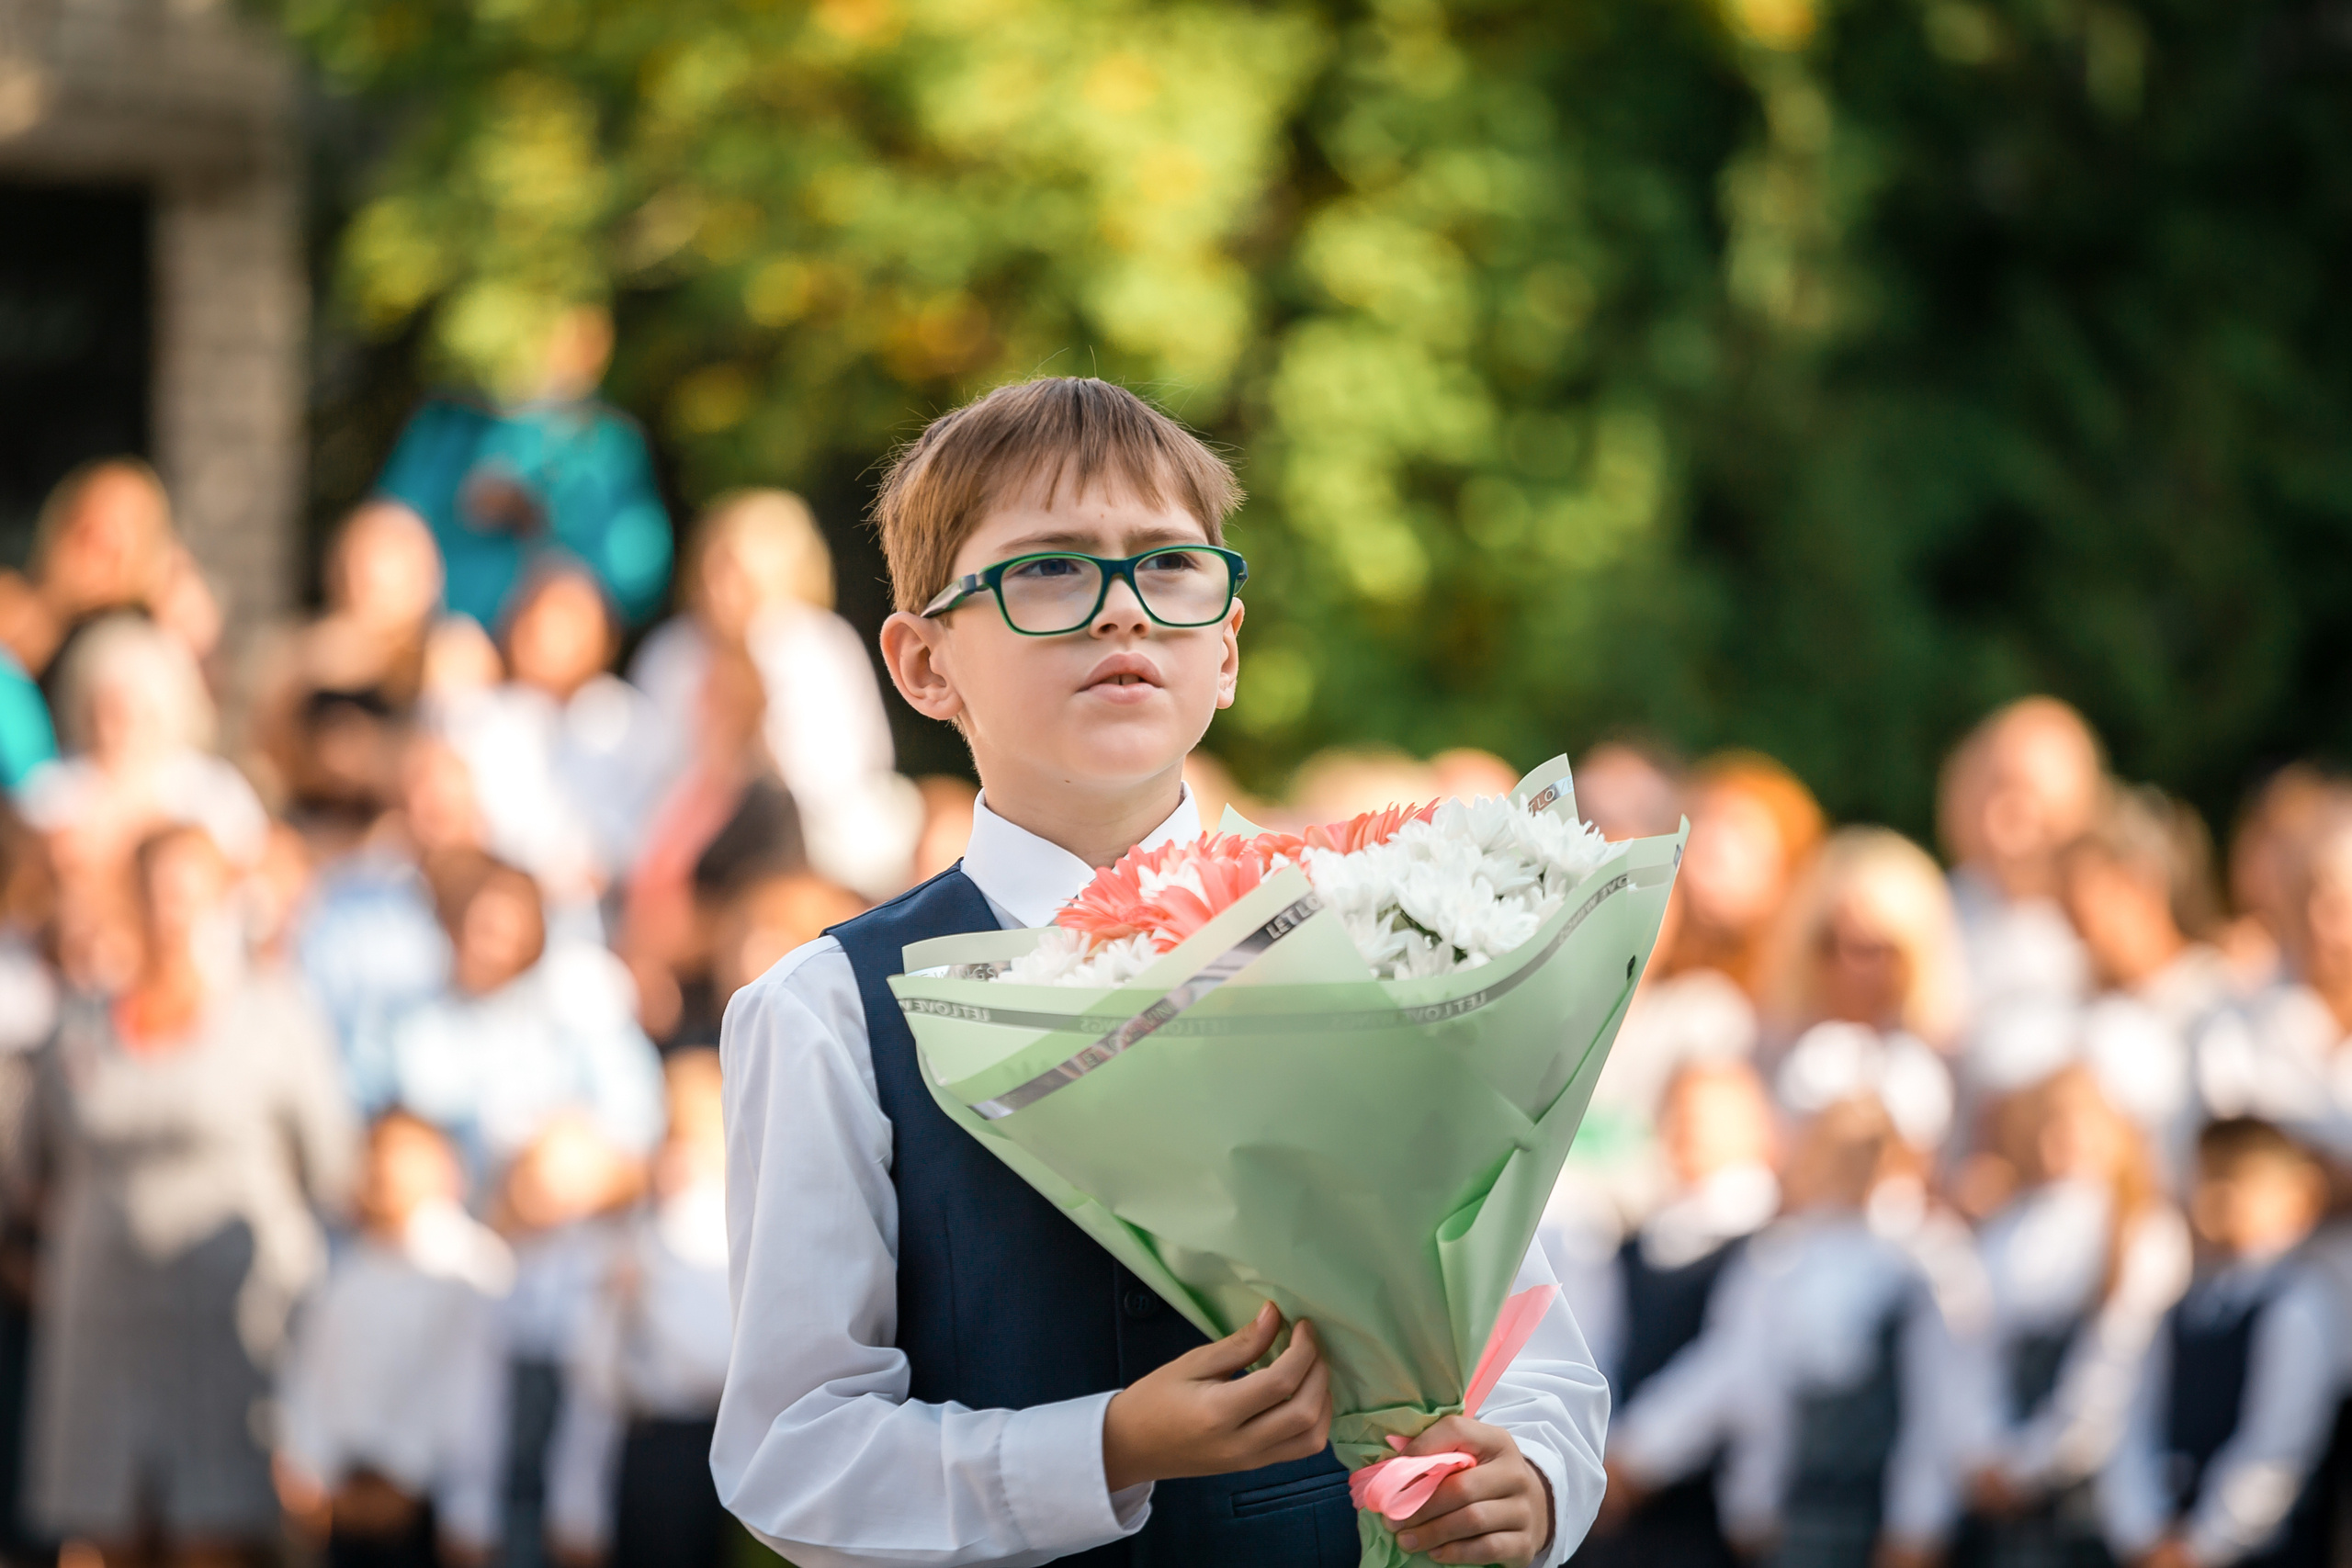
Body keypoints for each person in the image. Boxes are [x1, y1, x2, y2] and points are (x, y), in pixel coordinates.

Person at [714, 377, 1608, 1568]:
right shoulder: (829, 1010)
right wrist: (1106, 1445)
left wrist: (1533, 1478)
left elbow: (1529, 1340)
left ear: (1225, 649)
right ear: (925, 662)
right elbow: (793, 1454)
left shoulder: (1376, 934)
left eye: (1171, 566)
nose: (1122, 609)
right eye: (1047, 569)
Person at [15, 824, 356, 1563]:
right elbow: (31, 1165)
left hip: (232, 1315)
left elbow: (330, 1165)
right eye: (154, 892)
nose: (170, 912)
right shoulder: (79, 1025)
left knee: (217, 1530)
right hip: (104, 1318)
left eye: (189, 893)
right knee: (107, 1529)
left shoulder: (276, 1017)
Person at [1602, 1095, 1962, 1568]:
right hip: (1798, 1512)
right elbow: (1740, 1380)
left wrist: (1917, 1524)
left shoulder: (1919, 1265)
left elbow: (1934, 1410)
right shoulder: (1779, 1261)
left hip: (1879, 1518)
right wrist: (1748, 1500)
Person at [1951, 1066, 2189, 1568]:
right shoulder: (2006, 1231)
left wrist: (2032, 1464)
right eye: (2048, 1121)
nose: (2064, 1137)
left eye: (2083, 1122)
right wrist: (1986, 1451)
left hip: (2101, 1492)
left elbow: (2114, 1373)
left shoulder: (2144, 1231)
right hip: (2010, 1491)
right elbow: (1971, 1350)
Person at [1560, 1059, 1780, 1568]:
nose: (1688, 1127)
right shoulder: (1636, 1242)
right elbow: (1601, 1348)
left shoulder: (1769, 1243)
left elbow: (1734, 1366)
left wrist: (1636, 1458)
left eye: (1710, 1115)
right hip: (1619, 1509)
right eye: (1677, 1113)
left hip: (1703, 1511)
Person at [2100, 1119, 2344, 1568]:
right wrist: (2141, 1529)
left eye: (2240, 1182)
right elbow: (2134, 1422)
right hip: (2166, 1537)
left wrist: (2202, 1544)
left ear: (2300, 1197)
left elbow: (2280, 1444)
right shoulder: (2181, 1306)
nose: (2218, 1197)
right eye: (2209, 1177)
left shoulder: (2298, 1303)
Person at [275, 1111, 512, 1568]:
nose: (385, 1169)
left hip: (428, 1505)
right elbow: (313, 1377)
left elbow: (473, 1398)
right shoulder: (344, 1273)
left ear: (446, 1168)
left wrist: (454, 1505)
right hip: (344, 1498)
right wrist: (309, 1470)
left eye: (404, 1155)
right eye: (375, 1154)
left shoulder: (472, 1269)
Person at [545, 1050, 733, 1568]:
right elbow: (597, 1381)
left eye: (690, 1140)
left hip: (708, 1445)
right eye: (667, 1138)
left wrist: (651, 1290)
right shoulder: (638, 1236)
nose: (675, 1157)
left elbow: (717, 1365)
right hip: (642, 1444)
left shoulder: (726, 1238)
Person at [373, 307, 673, 630]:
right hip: (438, 640)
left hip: (553, 649)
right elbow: (384, 538)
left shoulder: (610, 445)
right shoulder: (449, 423)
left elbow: (637, 576)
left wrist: (546, 521)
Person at [19, 614, 268, 989]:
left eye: (136, 707)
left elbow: (256, 890)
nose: (120, 722)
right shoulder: (52, 794)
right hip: (76, 988)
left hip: (201, 988)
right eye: (108, 707)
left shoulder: (214, 793)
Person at [430, 558, 672, 908]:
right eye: (534, 618)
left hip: (600, 912)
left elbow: (643, 830)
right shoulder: (476, 716)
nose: (545, 634)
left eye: (566, 622)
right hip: (492, 906)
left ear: (603, 634)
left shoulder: (632, 723)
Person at [2057, 787, 2233, 1186]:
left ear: (2140, 880)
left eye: (2081, 886)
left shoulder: (2222, 994)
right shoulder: (2071, 1010)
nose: (2066, 910)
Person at [1761, 827, 1964, 1159]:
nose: (1849, 966)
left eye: (1870, 949)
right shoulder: (1767, 1052)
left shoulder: (1953, 1064)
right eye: (1830, 945)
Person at [1938, 700, 2104, 1091]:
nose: (2004, 810)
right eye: (1990, 785)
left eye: (2022, 789)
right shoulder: (1927, 913)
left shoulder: (2114, 915)